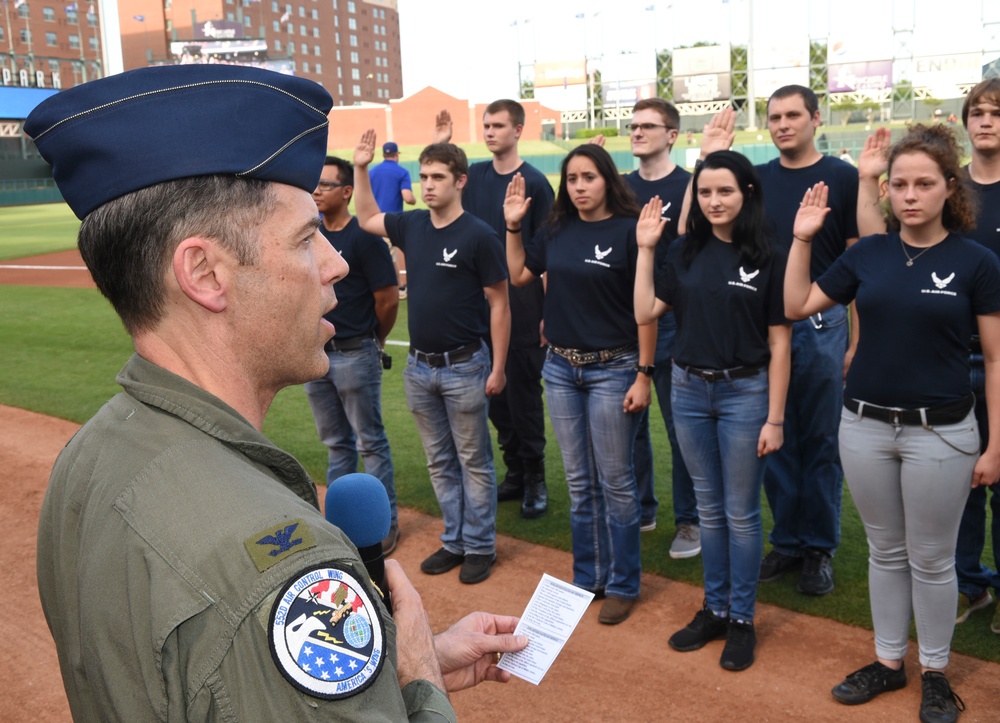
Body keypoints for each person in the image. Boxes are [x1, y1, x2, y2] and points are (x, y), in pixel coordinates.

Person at [27, 65, 526, 721]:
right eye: (303, 237)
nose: (335, 262)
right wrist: (419, 680)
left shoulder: (90, 455)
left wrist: (388, 675)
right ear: (205, 272)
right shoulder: (281, 565)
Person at [786, 124, 1000, 723]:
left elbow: (997, 358)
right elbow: (797, 305)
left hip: (944, 431)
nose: (909, 194)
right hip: (865, 427)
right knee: (885, 551)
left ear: (948, 188)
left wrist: (996, 444)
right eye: (899, 184)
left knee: (931, 559)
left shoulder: (975, 261)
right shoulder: (869, 254)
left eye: (924, 183)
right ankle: (887, 661)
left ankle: (935, 672)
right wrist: (802, 241)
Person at [692, 87, 859, 596]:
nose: (783, 124)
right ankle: (787, 541)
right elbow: (703, 232)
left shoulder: (842, 176)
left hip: (822, 323)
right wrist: (703, 158)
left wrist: (857, 338)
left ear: (815, 118)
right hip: (767, 325)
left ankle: (818, 547)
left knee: (820, 441)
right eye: (774, 117)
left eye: (793, 115)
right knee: (776, 439)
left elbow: (857, 258)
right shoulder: (756, 180)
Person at [636, 151, 791, 671]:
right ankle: (716, 609)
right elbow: (643, 312)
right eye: (705, 192)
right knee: (708, 510)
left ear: (746, 192)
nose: (714, 200)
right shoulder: (684, 250)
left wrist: (775, 417)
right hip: (687, 389)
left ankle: (743, 619)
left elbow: (780, 340)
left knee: (741, 514)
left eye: (724, 191)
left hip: (745, 393)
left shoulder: (768, 253)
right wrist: (644, 250)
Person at [857, 80, 1000, 636]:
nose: (987, 121)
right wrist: (871, 181)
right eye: (978, 113)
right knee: (959, 492)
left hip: (992, 355)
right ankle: (967, 583)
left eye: (996, 112)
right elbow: (883, 254)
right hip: (942, 359)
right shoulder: (940, 186)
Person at [503, 144, 655, 625]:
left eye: (588, 177)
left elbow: (647, 307)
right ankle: (589, 577)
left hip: (614, 368)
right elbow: (519, 274)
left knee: (617, 482)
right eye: (572, 179)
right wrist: (512, 226)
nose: (579, 187)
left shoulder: (631, 231)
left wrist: (644, 373)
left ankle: (624, 583)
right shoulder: (556, 229)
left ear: (607, 179)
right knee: (579, 483)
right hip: (562, 368)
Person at [353, 130, 511, 586]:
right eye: (423, 176)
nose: (428, 185)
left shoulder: (479, 236)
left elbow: (500, 304)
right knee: (439, 460)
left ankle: (481, 546)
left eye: (438, 177)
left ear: (460, 181)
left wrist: (498, 367)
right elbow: (367, 218)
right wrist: (361, 168)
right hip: (419, 367)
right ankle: (455, 541)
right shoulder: (413, 224)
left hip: (465, 365)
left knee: (473, 460)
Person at [433, 101, 554, 519]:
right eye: (486, 125)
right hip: (476, 305)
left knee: (522, 395)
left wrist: (546, 312)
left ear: (518, 130)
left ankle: (535, 477)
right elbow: (444, 196)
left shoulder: (535, 183)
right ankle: (515, 471)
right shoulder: (477, 176)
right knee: (493, 394)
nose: (490, 132)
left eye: (498, 125)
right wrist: (443, 144)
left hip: (521, 304)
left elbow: (547, 253)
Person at [306, 155, 401, 553]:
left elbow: (387, 298)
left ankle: (385, 525)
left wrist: (372, 339)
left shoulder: (364, 238)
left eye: (326, 184)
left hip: (354, 353)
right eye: (316, 183)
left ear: (348, 192)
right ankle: (341, 526)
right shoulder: (310, 236)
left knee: (370, 443)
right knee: (336, 443)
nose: (317, 190)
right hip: (316, 355)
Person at [624, 97, 700, 557]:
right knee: (629, 425)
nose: (637, 132)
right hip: (624, 324)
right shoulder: (618, 186)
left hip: (674, 322)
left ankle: (689, 522)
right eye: (633, 125)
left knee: (680, 432)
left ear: (672, 135)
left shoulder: (690, 186)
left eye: (648, 126)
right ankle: (643, 508)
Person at [369, 140, 416, 295]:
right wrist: (414, 200)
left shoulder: (372, 171)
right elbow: (407, 197)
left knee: (379, 254)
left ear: (384, 154)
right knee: (390, 257)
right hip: (389, 222)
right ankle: (400, 288)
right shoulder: (402, 172)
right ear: (396, 155)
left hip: (371, 220)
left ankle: (393, 286)